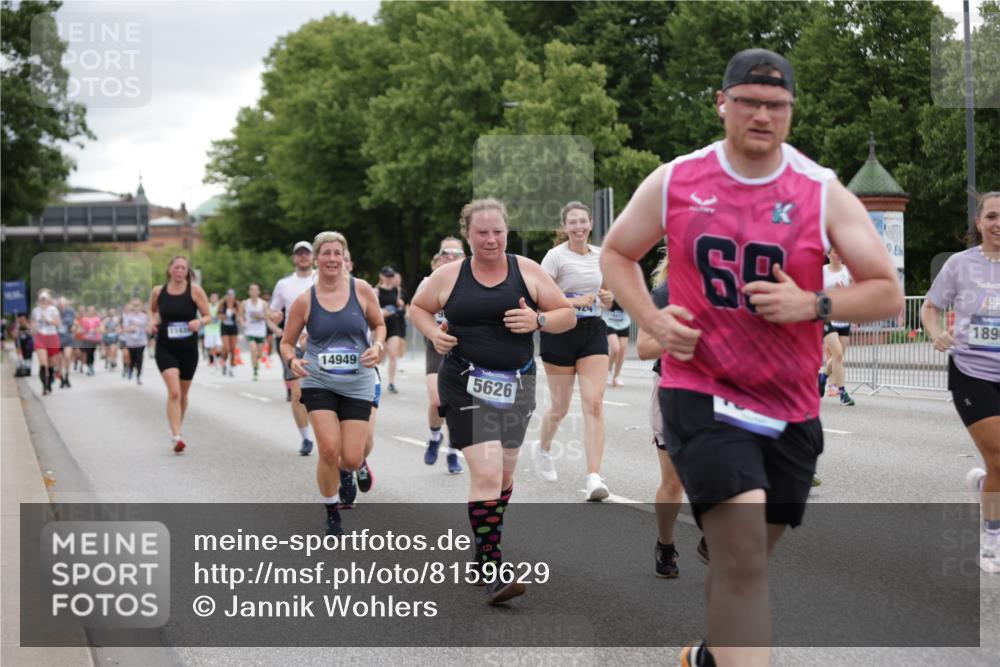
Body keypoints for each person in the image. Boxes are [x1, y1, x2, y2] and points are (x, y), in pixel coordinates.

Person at [600, 49, 903, 667]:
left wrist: (813, 303)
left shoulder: (820, 191)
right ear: (722, 104)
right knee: (739, 556)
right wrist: (651, 319)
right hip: (702, 391)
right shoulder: (676, 179)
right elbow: (616, 254)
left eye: (776, 105)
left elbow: (887, 291)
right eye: (749, 102)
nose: (762, 115)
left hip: (790, 404)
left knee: (748, 560)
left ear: (790, 111)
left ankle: (712, 655)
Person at [410, 198, 575, 604]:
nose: (491, 239)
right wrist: (434, 334)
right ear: (468, 235)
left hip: (516, 385)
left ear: (507, 232)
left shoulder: (527, 271)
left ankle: (483, 547)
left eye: (497, 231)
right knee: (484, 472)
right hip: (464, 383)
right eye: (482, 232)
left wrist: (538, 320)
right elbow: (417, 307)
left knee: (502, 476)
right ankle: (493, 566)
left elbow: (566, 314)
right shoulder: (450, 275)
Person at [281, 231, 385, 536]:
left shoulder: (362, 290)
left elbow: (379, 325)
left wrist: (377, 346)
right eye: (325, 253)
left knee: (351, 458)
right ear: (316, 258)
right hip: (319, 381)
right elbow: (287, 343)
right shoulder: (305, 301)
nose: (331, 258)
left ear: (344, 257)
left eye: (337, 253)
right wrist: (292, 360)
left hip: (358, 381)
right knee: (328, 449)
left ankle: (352, 471)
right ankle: (331, 510)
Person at [921, 190, 1000, 574]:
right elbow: (931, 306)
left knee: (998, 466)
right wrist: (935, 332)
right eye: (992, 216)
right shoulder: (960, 264)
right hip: (972, 371)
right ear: (979, 222)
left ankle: (986, 481)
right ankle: (992, 540)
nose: (998, 224)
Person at [534, 202, 613, 501]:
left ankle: (594, 477)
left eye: (583, 221)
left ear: (590, 223)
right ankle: (543, 449)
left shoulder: (601, 255)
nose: (578, 226)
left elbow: (605, 294)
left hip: (592, 331)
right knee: (560, 407)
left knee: (594, 403)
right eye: (573, 222)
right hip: (559, 332)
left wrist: (607, 297)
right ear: (565, 227)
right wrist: (574, 302)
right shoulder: (555, 257)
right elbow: (538, 297)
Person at [634, 249, 686, 578]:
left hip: (718, 390)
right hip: (674, 390)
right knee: (674, 481)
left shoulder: (729, 289)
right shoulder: (664, 293)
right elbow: (643, 348)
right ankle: (665, 545)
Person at [149, 255, 211, 453]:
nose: (179, 271)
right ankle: (176, 436)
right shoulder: (158, 292)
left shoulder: (195, 290)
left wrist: (199, 322)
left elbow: (209, 315)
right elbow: (152, 311)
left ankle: (178, 428)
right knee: (174, 392)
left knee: (183, 394)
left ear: (187, 272)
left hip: (188, 348)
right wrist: (152, 322)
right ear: (169, 270)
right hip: (165, 347)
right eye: (176, 267)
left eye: (183, 268)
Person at [416, 238, 466, 474]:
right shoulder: (429, 282)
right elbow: (416, 312)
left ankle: (454, 452)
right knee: (438, 401)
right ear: (438, 258)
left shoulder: (474, 281)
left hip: (465, 349)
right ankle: (435, 436)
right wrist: (434, 332)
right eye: (447, 253)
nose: (452, 257)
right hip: (436, 346)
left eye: (458, 253)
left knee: (456, 404)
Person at [270, 241, 318, 455]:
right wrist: (275, 321)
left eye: (306, 254)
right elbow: (271, 311)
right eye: (299, 254)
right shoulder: (284, 284)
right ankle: (306, 437)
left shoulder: (321, 278)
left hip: (322, 343)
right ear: (294, 258)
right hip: (295, 345)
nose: (303, 257)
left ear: (312, 256)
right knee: (298, 393)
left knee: (322, 392)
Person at [818, 248, 855, 405]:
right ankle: (843, 393)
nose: (839, 254)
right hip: (827, 317)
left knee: (838, 357)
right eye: (835, 251)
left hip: (844, 317)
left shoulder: (848, 272)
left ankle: (823, 376)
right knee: (837, 353)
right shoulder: (821, 272)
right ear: (828, 254)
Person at [376, 267, 408, 393]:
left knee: (393, 354)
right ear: (381, 276)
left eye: (391, 276)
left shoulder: (397, 290)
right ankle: (373, 379)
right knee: (378, 358)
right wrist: (383, 312)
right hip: (380, 325)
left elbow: (402, 306)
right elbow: (372, 310)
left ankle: (391, 383)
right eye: (387, 276)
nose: (389, 278)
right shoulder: (376, 291)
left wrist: (399, 307)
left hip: (394, 324)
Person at [31, 290, 61, 395]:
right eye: (41, 299)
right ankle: (45, 386)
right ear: (39, 300)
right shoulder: (35, 310)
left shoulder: (53, 309)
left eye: (45, 299)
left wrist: (47, 319)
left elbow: (57, 323)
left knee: (51, 363)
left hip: (52, 337)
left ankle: (50, 378)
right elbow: (33, 324)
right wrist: (33, 328)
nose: (43, 301)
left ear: (48, 300)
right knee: (43, 363)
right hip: (40, 337)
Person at [242, 283, 268, 381]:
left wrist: (260, 317)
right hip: (250, 330)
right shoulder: (245, 303)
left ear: (258, 291)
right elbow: (240, 315)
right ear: (249, 292)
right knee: (253, 349)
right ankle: (255, 371)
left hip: (261, 331)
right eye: (251, 290)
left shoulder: (263, 303)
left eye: (255, 290)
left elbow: (267, 316)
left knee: (260, 354)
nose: (253, 292)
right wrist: (242, 322)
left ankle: (256, 364)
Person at [603, 298, 631, 387]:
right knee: (615, 348)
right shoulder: (607, 287)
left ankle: (616, 376)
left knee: (622, 349)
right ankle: (608, 370)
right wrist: (609, 303)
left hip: (624, 322)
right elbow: (599, 303)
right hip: (609, 321)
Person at [121, 298, 149, 385]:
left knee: (139, 359)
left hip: (141, 341)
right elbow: (124, 328)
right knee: (132, 359)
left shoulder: (144, 316)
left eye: (138, 305)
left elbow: (148, 327)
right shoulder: (128, 316)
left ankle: (138, 376)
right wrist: (131, 328)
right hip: (131, 342)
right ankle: (130, 369)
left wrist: (147, 328)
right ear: (132, 306)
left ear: (140, 306)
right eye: (134, 305)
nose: (136, 307)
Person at [218, 289, 241, 377]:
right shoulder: (222, 304)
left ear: (234, 296)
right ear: (226, 296)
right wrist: (223, 316)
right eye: (229, 295)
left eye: (232, 295)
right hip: (224, 327)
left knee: (233, 349)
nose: (230, 297)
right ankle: (223, 362)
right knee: (226, 347)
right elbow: (218, 315)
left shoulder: (237, 304)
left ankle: (231, 367)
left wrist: (236, 313)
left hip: (233, 328)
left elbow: (240, 315)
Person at [56, 296, 75, 388]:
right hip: (57, 339)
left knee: (67, 357)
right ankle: (62, 378)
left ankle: (67, 376)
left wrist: (74, 327)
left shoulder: (70, 312)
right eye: (60, 303)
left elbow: (73, 323)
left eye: (63, 303)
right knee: (60, 361)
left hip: (68, 338)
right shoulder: (54, 311)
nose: (62, 305)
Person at [79, 305, 103, 376]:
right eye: (89, 310)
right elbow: (81, 328)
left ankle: (91, 366)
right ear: (87, 311)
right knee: (87, 353)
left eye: (92, 310)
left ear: (94, 311)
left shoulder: (97, 319)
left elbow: (100, 328)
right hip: (86, 338)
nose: (91, 312)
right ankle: (89, 367)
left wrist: (96, 330)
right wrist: (82, 330)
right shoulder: (84, 319)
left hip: (94, 339)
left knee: (92, 353)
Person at [203, 293, 223, 369]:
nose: (214, 299)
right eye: (212, 297)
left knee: (218, 347)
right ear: (210, 298)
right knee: (211, 348)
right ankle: (211, 362)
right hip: (208, 330)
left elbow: (222, 315)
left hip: (217, 330)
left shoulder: (219, 306)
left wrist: (219, 317)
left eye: (215, 298)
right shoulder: (207, 306)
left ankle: (217, 361)